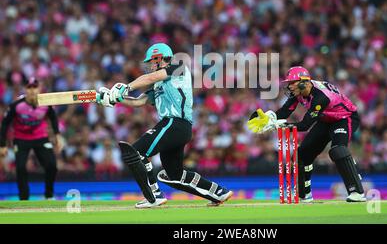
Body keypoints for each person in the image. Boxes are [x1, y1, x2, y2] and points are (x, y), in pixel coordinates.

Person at [96, 43, 233, 208]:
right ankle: (218, 191)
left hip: (174, 123)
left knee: (136, 152)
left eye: (152, 62)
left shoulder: (178, 67)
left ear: (160, 59)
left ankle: (154, 195)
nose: (150, 66)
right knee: (173, 174)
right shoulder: (159, 83)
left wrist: (126, 87)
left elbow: (150, 78)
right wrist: (113, 99)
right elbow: (139, 101)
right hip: (178, 128)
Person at [247, 66, 366, 202]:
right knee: (302, 155)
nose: (290, 87)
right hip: (325, 119)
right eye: (289, 84)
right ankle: (305, 195)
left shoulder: (321, 97)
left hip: (345, 118)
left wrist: (281, 125)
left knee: (338, 150)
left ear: (304, 82)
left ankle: (357, 192)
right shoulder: (299, 92)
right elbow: (285, 111)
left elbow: (305, 125)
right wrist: (270, 117)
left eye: (292, 83)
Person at [0, 78, 64, 200]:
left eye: (35, 87)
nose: (32, 90)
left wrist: (57, 136)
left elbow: (53, 118)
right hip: (21, 139)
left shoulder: (46, 104)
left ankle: (49, 195)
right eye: (29, 87)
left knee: (51, 166)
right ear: (25, 89)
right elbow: (5, 123)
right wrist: (2, 145)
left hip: (40, 137)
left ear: (39, 89)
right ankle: (24, 198)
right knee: (20, 167)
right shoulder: (17, 105)